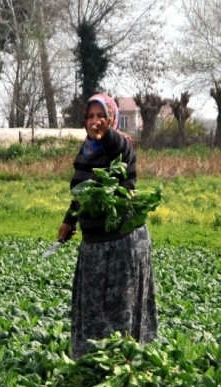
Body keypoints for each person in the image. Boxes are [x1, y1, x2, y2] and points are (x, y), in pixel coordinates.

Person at [58, 93, 158, 360]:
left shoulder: (122, 145)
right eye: (90, 116)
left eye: (101, 116)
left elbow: (118, 149)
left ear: (112, 118)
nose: (95, 122)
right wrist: (70, 219)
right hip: (94, 247)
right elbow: (83, 190)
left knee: (118, 310)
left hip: (121, 246)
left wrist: (108, 133)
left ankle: (122, 362)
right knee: (93, 308)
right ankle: (92, 362)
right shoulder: (86, 149)